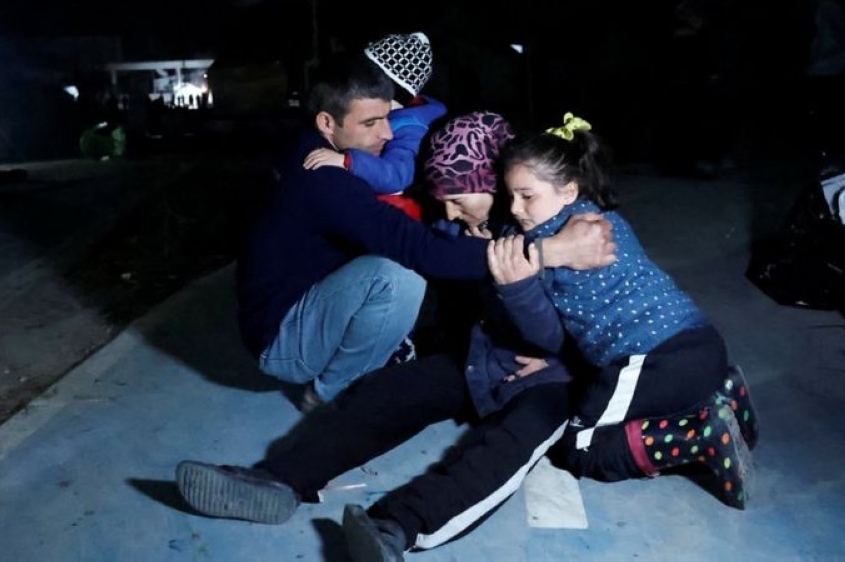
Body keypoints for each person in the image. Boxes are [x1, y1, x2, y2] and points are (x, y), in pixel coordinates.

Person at [177, 111, 589, 561]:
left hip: (552, 381)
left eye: (455, 197)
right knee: (388, 393)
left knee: (504, 449)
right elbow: (452, 306)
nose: (449, 211)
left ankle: (395, 528)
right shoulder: (466, 228)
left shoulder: (574, 229)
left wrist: (564, 360)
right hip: (484, 358)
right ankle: (280, 479)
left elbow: (617, 324)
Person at [236, 56, 616, 412]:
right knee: (398, 278)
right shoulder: (324, 179)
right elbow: (418, 249)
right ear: (326, 123)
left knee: (416, 267)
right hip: (284, 341)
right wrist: (551, 250)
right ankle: (331, 397)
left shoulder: (318, 150)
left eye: (388, 117)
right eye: (369, 124)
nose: (386, 133)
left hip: (299, 305)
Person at [487, 113, 759, 509]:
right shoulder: (602, 219)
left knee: (580, 449)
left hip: (653, 362)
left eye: (527, 196)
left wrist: (516, 275)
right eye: (509, 195)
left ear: (567, 191)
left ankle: (698, 435)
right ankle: (722, 393)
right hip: (703, 345)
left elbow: (540, 329)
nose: (514, 208)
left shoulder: (544, 245)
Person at [302, 32, 446, 221]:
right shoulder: (404, 116)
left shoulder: (411, 128)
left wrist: (347, 161)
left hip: (400, 212)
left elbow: (396, 177)